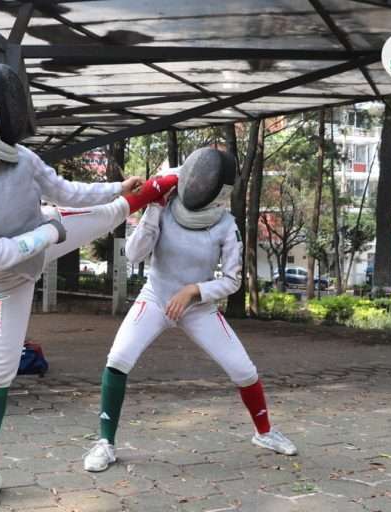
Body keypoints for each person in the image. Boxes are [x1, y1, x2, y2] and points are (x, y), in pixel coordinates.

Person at [0, 63, 177, 511]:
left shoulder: (21, 158)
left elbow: (66, 191)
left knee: (109, 212)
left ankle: (157, 189)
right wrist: (48, 234)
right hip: (4, 278)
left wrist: (118, 187)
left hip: (44, 233)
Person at [83, 147, 298, 474]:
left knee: (243, 370)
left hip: (199, 308)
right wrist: (153, 210)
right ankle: (105, 443)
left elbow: (232, 281)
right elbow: (135, 255)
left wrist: (194, 290)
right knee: (118, 359)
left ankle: (265, 432)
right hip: (156, 297)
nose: (197, 184)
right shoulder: (165, 207)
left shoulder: (226, 225)